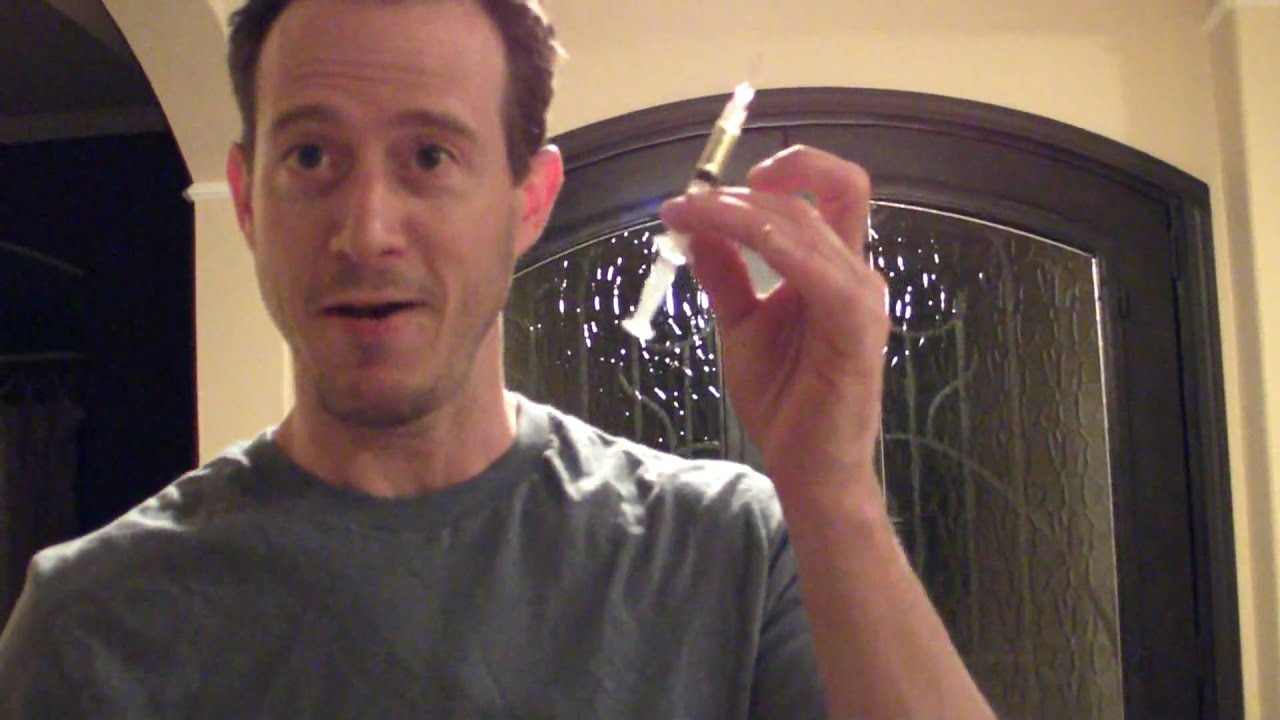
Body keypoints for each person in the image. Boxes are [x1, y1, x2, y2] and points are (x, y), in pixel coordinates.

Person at [0, 0, 995, 717]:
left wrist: (834, 488)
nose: (367, 230)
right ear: (252, 199)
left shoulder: (728, 554)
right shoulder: (93, 623)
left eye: (430, 157)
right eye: (311, 157)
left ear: (529, 201)